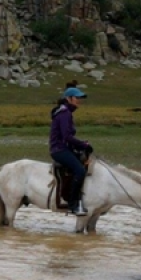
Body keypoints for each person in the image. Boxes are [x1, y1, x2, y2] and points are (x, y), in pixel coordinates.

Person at [49, 86, 93, 217]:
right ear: (69, 98)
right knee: (79, 170)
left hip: (63, 148)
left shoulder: (65, 112)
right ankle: (73, 204)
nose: (79, 100)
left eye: (80, 98)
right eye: (77, 97)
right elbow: (67, 136)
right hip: (59, 149)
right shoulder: (65, 114)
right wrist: (83, 145)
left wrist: (81, 145)